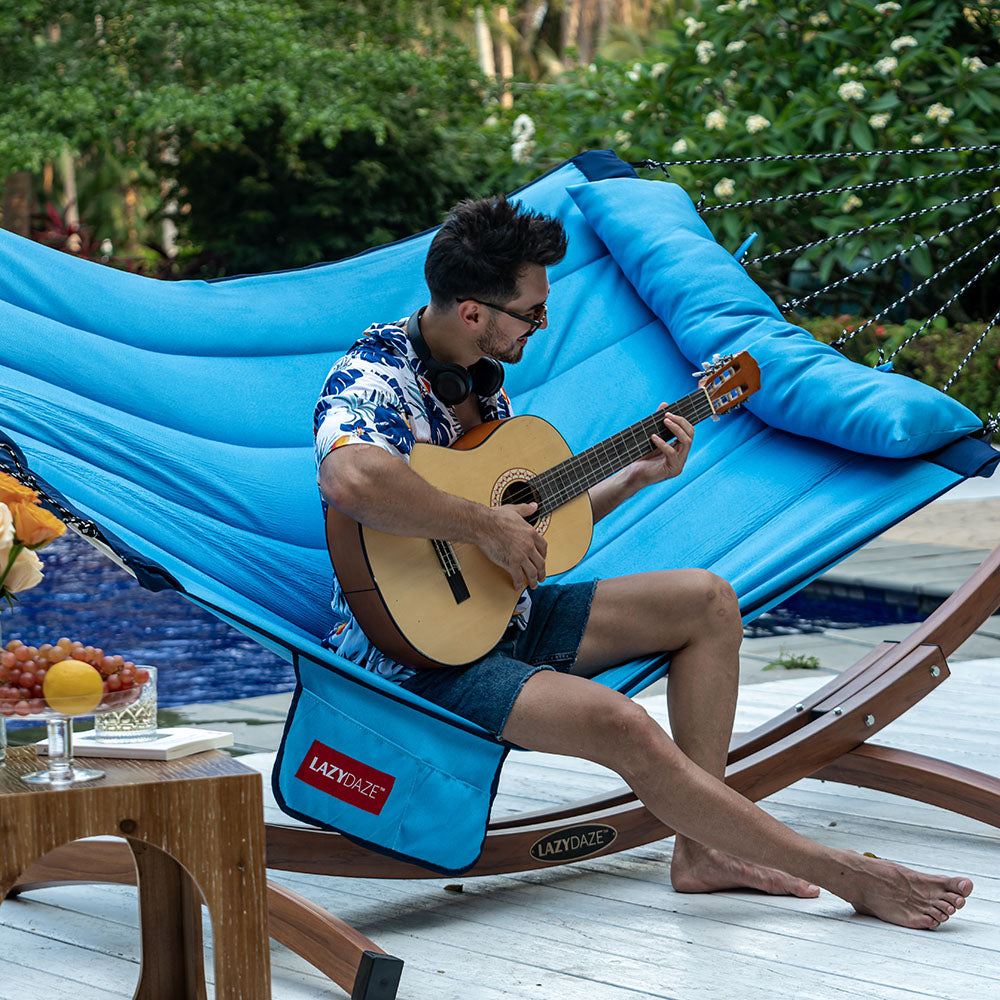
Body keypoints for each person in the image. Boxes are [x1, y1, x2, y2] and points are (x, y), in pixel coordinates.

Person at [314, 194, 972, 929]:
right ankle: (844, 874)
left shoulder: (479, 385)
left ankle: (702, 852)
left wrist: (633, 478)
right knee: (624, 724)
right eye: (530, 314)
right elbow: (352, 479)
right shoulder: (373, 377)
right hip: (423, 659)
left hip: (502, 610)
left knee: (709, 600)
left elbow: (523, 526)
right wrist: (486, 526)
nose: (541, 326)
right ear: (472, 313)